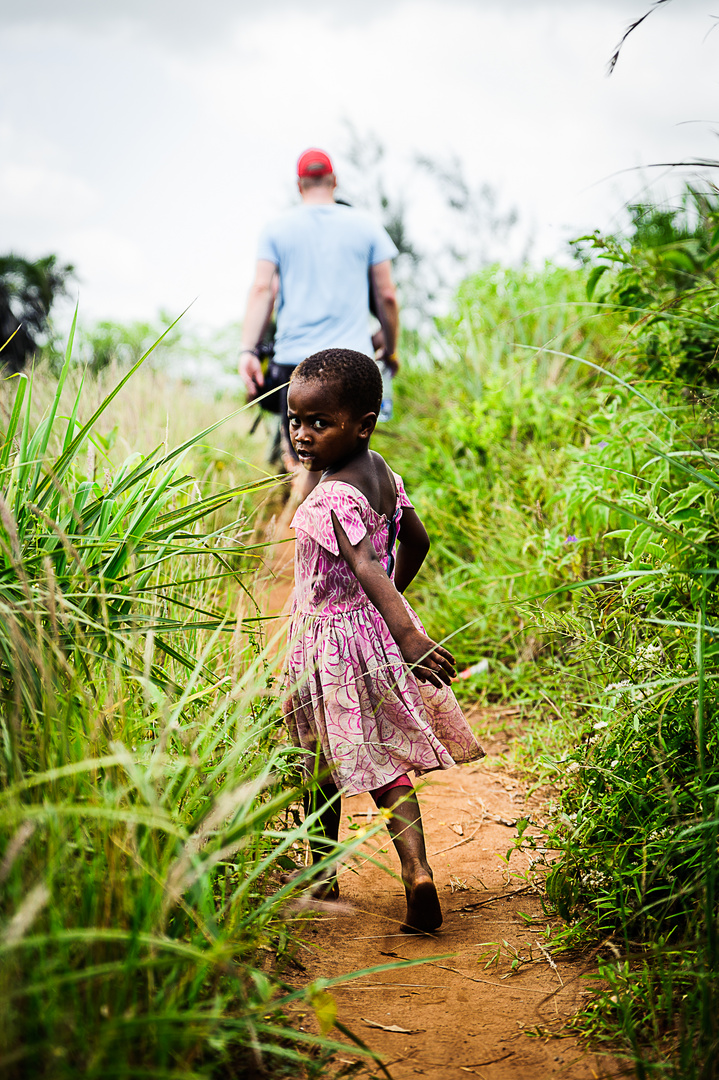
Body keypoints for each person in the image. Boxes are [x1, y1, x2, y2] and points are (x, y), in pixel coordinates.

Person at [282, 348, 484, 933]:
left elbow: (367, 565)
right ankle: (417, 870)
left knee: (319, 757)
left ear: (362, 424)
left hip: (326, 645)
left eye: (319, 423)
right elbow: (415, 542)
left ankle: (323, 873)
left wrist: (409, 632)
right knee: (389, 757)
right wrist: (390, 617)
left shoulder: (327, 498)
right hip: (372, 638)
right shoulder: (384, 475)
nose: (302, 435)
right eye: (294, 420)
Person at [238, 148, 399, 492]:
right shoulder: (366, 225)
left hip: (295, 370)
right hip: (352, 369)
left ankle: (291, 536)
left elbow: (262, 289)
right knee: (348, 475)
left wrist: (247, 351)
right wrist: (391, 348)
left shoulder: (277, 229)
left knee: (302, 473)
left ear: (300, 185)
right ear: (334, 182)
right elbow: (387, 295)